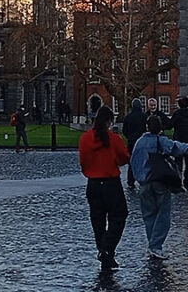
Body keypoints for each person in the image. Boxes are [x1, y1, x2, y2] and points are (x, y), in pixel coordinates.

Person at [130, 115, 188, 260]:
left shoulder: (139, 142)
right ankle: (155, 246)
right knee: (163, 216)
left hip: (144, 183)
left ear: (147, 127)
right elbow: (175, 147)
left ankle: (152, 244)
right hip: (160, 182)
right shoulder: (160, 141)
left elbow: (133, 161)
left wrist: (140, 178)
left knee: (149, 216)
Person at [78, 106, 130, 272]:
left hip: (93, 184)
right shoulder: (113, 139)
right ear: (109, 121)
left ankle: (105, 253)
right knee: (119, 216)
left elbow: (83, 162)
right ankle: (107, 249)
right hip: (111, 183)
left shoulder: (85, 139)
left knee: (98, 221)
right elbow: (123, 159)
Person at [170, 96, 188, 190]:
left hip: (179, 141)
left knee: (178, 163)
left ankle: (179, 182)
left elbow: (170, 125)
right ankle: (186, 183)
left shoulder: (177, 114)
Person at [122, 98, 147, 189]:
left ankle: (130, 181)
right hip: (142, 142)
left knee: (131, 162)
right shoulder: (144, 117)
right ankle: (142, 179)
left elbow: (124, 130)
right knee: (142, 162)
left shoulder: (128, 117)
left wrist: (129, 137)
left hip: (131, 142)